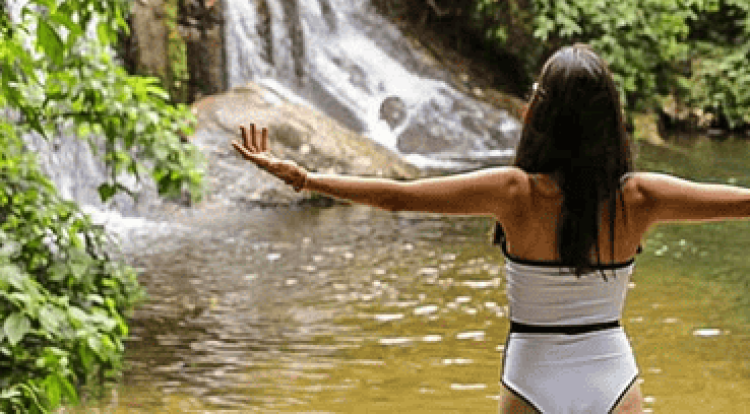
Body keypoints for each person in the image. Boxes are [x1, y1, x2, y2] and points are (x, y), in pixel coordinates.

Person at [231, 43, 750, 414]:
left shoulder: (512, 192)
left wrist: (305, 178)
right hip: (610, 376)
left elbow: (396, 197)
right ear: (612, 118)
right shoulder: (641, 197)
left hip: (531, 376)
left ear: (536, 114)